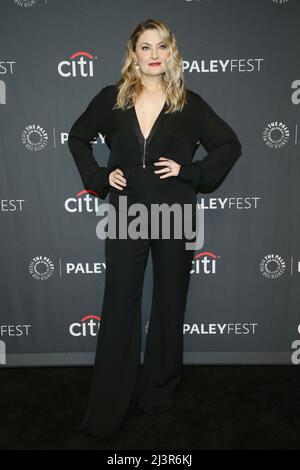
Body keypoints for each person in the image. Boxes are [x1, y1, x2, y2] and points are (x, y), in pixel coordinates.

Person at [67, 18, 242, 441]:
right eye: (145, 47)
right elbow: (78, 137)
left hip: (175, 212)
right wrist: (100, 176)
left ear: (171, 52)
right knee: (120, 304)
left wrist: (192, 171)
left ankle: (159, 392)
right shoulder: (112, 99)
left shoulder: (189, 103)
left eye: (161, 46)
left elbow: (229, 144)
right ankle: (112, 400)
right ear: (133, 54)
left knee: (169, 303)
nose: (153, 55)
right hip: (127, 214)